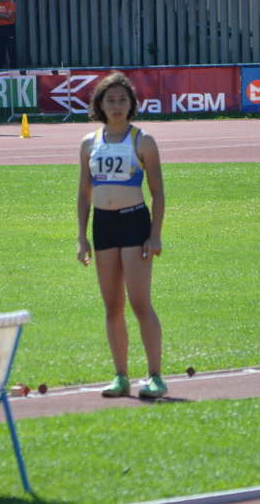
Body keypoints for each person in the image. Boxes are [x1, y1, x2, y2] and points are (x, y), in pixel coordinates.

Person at [76, 71, 167, 399]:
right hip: (103, 226)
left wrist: (155, 235)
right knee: (112, 305)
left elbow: (157, 192)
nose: (116, 106)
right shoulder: (89, 143)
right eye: (110, 100)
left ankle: (155, 376)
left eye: (122, 100)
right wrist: (81, 237)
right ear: (100, 104)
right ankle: (121, 376)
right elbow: (84, 194)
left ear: (131, 104)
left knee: (140, 303)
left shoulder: (143, 141)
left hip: (134, 223)